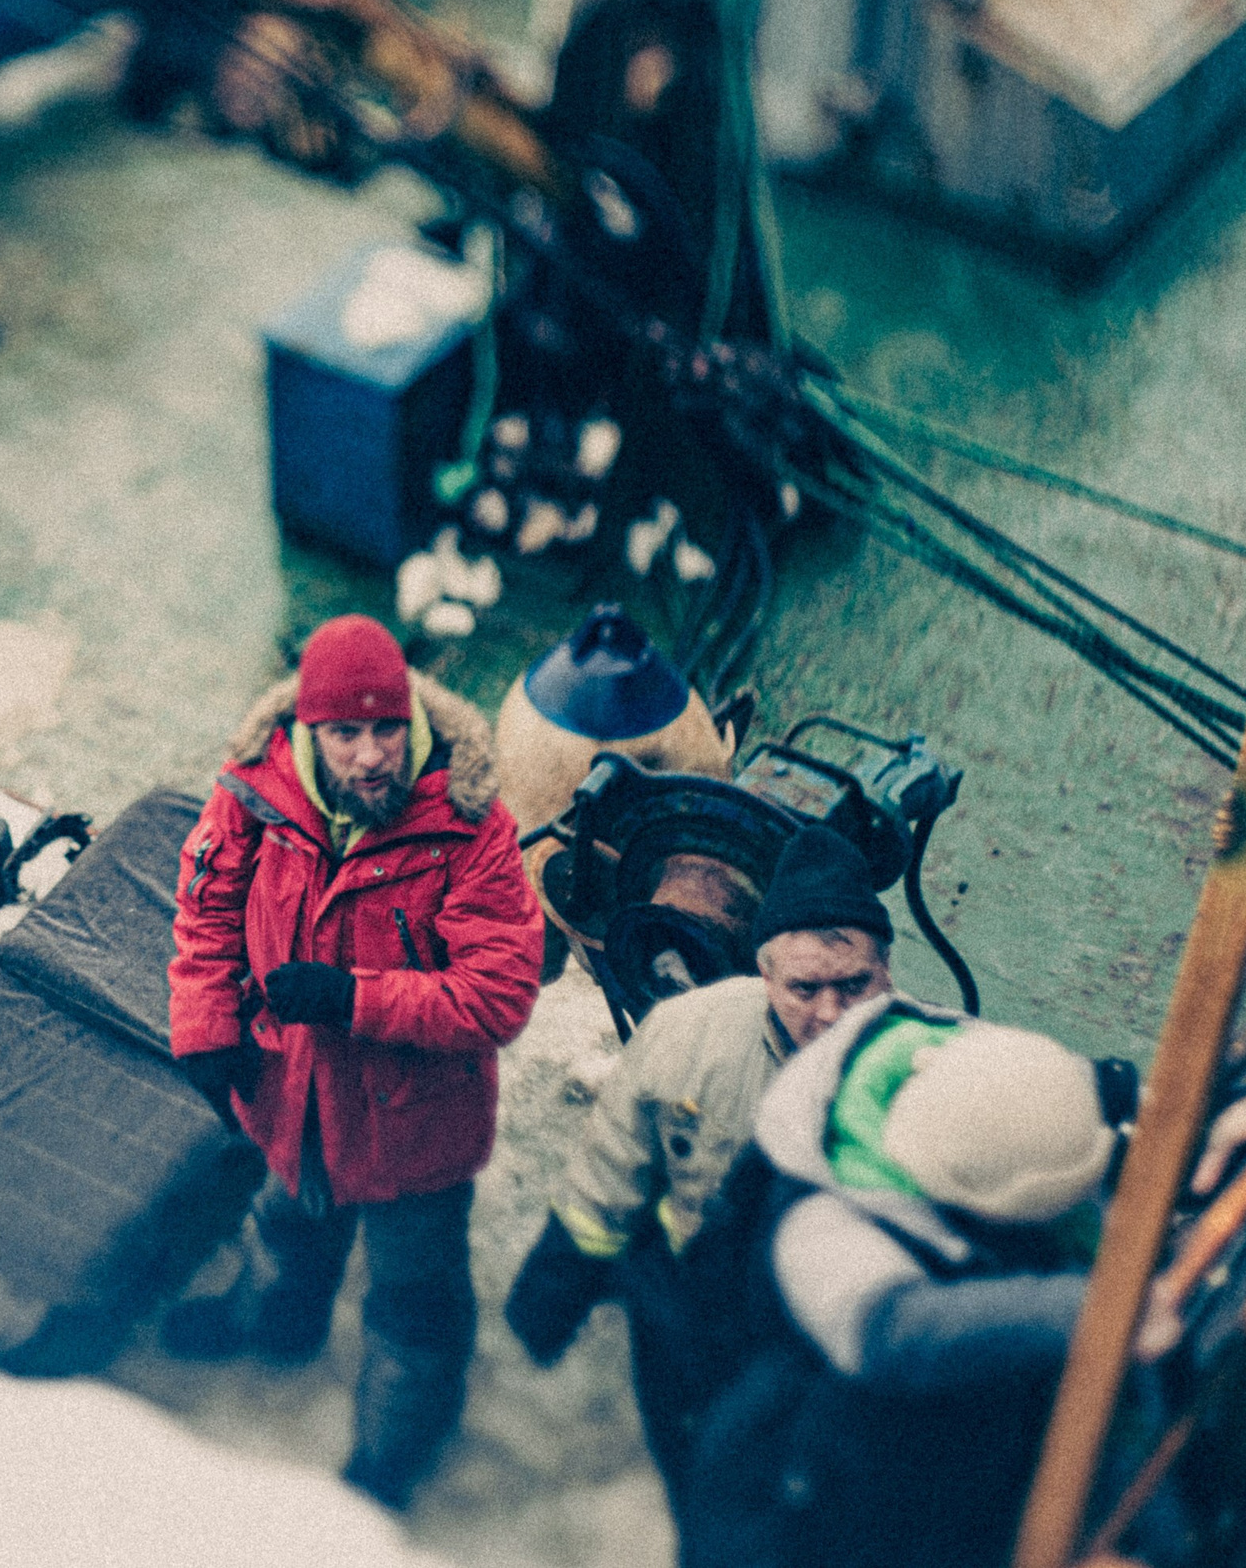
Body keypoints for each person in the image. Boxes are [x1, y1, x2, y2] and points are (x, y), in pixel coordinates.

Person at [678, 998, 1246, 1568]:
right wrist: (1095, 1306)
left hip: (976, 1450)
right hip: (830, 1503)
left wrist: (1222, 1131)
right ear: (973, 1202)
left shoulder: (980, 1080)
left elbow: (1101, 1147)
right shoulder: (818, 1221)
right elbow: (893, 1331)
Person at [163, 613, 545, 1509]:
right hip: (289, 1097)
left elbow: (497, 994)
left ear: (411, 719)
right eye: (346, 733)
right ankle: (274, 1325)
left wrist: (353, 997)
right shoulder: (250, 796)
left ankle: (396, 1442)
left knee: (414, 1296)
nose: (371, 756)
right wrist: (206, 1027)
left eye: (385, 729)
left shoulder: (471, 828)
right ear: (307, 732)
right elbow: (208, 906)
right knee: (287, 1225)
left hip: (415, 1128)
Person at [501, 823, 894, 1505]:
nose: (830, 1013)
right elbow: (611, 1171)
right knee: (696, 1475)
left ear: (886, 970)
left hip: (828, 1336)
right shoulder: (686, 1033)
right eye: (804, 988)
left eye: (854, 984)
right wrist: (553, 1292)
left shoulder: (929, 1065)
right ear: (764, 973)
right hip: (692, 1311)